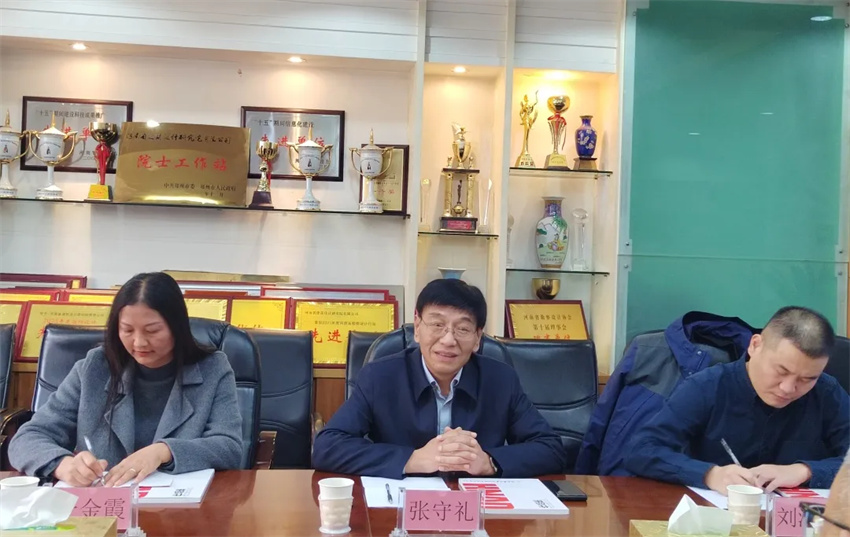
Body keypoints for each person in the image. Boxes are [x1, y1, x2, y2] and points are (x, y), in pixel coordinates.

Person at [312, 278, 566, 479]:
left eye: (462, 329)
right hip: (402, 508)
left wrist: (489, 462)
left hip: (476, 509)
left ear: (478, 338)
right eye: (437, 325)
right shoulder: (380, 376)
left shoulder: (500, 380)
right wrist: (412, 459)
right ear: (417, 327)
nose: (448, 339)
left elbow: (550, 448)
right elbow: (327, 447)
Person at [9, 272, 243, 487]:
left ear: (177, 327)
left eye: (152, 331)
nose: (139, 342)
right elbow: (27, 439)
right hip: (105, 508)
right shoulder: (95, 368)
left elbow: (229, 447)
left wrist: (163, 452)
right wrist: (62, 464)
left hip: (180, 509)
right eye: (127, 330)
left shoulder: (212, 368)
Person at [624, 306, 849, 494]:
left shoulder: (826, 392)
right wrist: (709, 474)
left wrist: (804, 471)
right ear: (755, 345)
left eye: (807, 379)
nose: (788, 388)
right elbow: (641, 450)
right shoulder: (707, 386)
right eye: (781, 371)